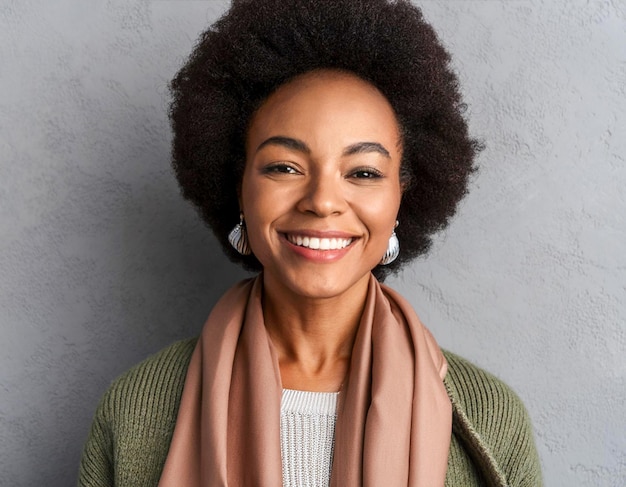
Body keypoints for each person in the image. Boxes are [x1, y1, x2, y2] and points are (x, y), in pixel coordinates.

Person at [78, 1, 543, 486]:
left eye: (363, 172)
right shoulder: (136, 409)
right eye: (284, 167)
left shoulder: (489, 419)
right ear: (238, 186)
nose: (322, 202)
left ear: (404, 197)